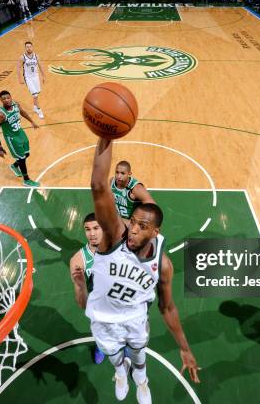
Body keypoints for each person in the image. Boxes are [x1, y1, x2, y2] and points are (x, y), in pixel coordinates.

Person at [81, 138, 200, 403]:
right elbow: (98, 186)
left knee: (139, 354)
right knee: (115, 357)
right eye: (133, 222)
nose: (133, 229)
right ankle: (121, 373)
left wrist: (184, 348)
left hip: (135, 318)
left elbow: (167, 308)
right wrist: (106, 135)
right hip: (103, 318)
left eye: (142, 226)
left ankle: (141, 380)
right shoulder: (114, 236)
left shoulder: (163, 263)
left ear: (155, 233)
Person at [69, 213, 106, 364]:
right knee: (100, 331)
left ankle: (125, 348)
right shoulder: (78, 260)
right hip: (99, 307)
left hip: (121, 301)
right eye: (87, 229)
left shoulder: (120, 247)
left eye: (96, 228)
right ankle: (100, 347)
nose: (92, 233)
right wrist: (81, 285)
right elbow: (81, 303)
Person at [0, 90, 40, 187]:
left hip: (20, 132)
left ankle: (14, 166)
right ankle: (26, 180)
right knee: (22, 158)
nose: (7, 100)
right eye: (4, 99)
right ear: (1, 101)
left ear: (11, 97)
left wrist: (32, 121)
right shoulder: (0, 115)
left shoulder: (16, 105)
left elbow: (22, 112)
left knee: (27, 153)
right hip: (12, 138)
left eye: (8, 97)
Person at [17, 41, 45, 119]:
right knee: (35, 94)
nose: (29, 48)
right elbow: (18, 68)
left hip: (36, 77)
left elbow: (40, 66)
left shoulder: (36, 56)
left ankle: (35, 107)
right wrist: (20, 79)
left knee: (36, 95)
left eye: (30, 46)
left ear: (32, 47)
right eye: (27, 47)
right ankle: (39, 111)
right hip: (28, 78)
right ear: (25, 48)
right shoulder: (22, 57)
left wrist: (43, 76)